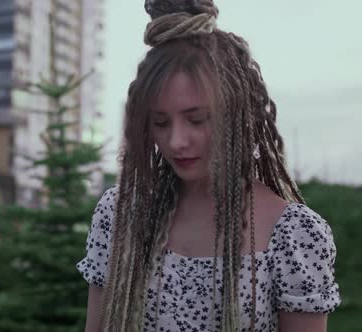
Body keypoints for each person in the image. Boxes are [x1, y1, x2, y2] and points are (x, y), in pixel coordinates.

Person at [76, 0, 341, 331]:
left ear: (238, 115)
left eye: (196, 119)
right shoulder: (121, 214)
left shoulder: (296, 235)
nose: (176, 141)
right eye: (160, 122)